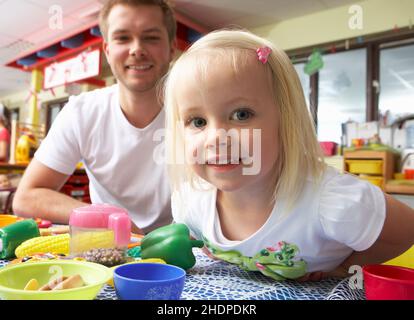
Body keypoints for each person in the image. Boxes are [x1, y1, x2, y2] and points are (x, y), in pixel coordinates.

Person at [163, 29, 414, 281]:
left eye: (241, 114)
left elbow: (405, 231)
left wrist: (341, 269)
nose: (215, 138)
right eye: (197, 121)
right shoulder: (191, 200)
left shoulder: (329, 202)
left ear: (286, 121)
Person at [13, 0, 176, 234]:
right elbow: (26, 197)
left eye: (151, 37)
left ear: (171, 48)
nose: (137, 49)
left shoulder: (200, 112)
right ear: (107, 51)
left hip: (183, 249)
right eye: (122, 38)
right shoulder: (81, 112)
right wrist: (105, 216)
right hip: (108, 244)